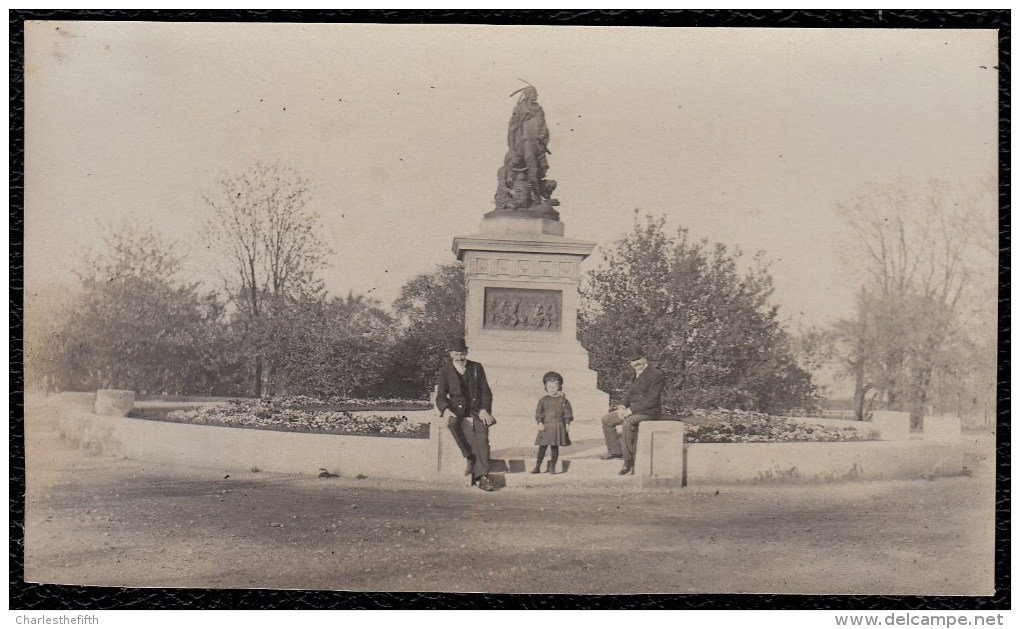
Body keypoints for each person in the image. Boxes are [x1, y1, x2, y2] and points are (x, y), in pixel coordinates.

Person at [435, 337, 497, 491]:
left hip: (476, 409)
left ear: (466, 352)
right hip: (456, 409)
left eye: (462, 354)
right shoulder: (445, 370)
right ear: (451, 354)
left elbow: (486, 392)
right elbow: (441, 395)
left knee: (482, 438)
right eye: (456, 354)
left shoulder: (477, 367)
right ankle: (468, 455)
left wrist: (484, 409)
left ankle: (482, 477)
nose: (460, 358)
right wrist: (446, 410)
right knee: (452, 423)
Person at [600, 344, 666, 475]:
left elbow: (651, 400)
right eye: (633, 361)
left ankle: (628, 461)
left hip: (649, 412)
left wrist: (630, 411)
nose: (636, 363)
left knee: (628, 423)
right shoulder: (635, 374)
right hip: (633, 410)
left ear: (645, 358)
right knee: (607, 419)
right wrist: (622, 406)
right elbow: (630, 394)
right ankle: (615, 451)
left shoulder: (656, 375)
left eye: (638, 359)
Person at [531, 371, 573, 474]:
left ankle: (552, 467)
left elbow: (567, 413)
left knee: (555, 447)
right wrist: (540, 423)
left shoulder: (563, 400)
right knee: (542, 447)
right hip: (546, 426)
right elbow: (539, 412)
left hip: (558, 426)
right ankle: (537, 467)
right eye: (549, 387)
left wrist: (567, 424)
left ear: (559, 387)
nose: (552, 389)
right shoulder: (543, 400)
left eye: (555, 387)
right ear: (545, 388)